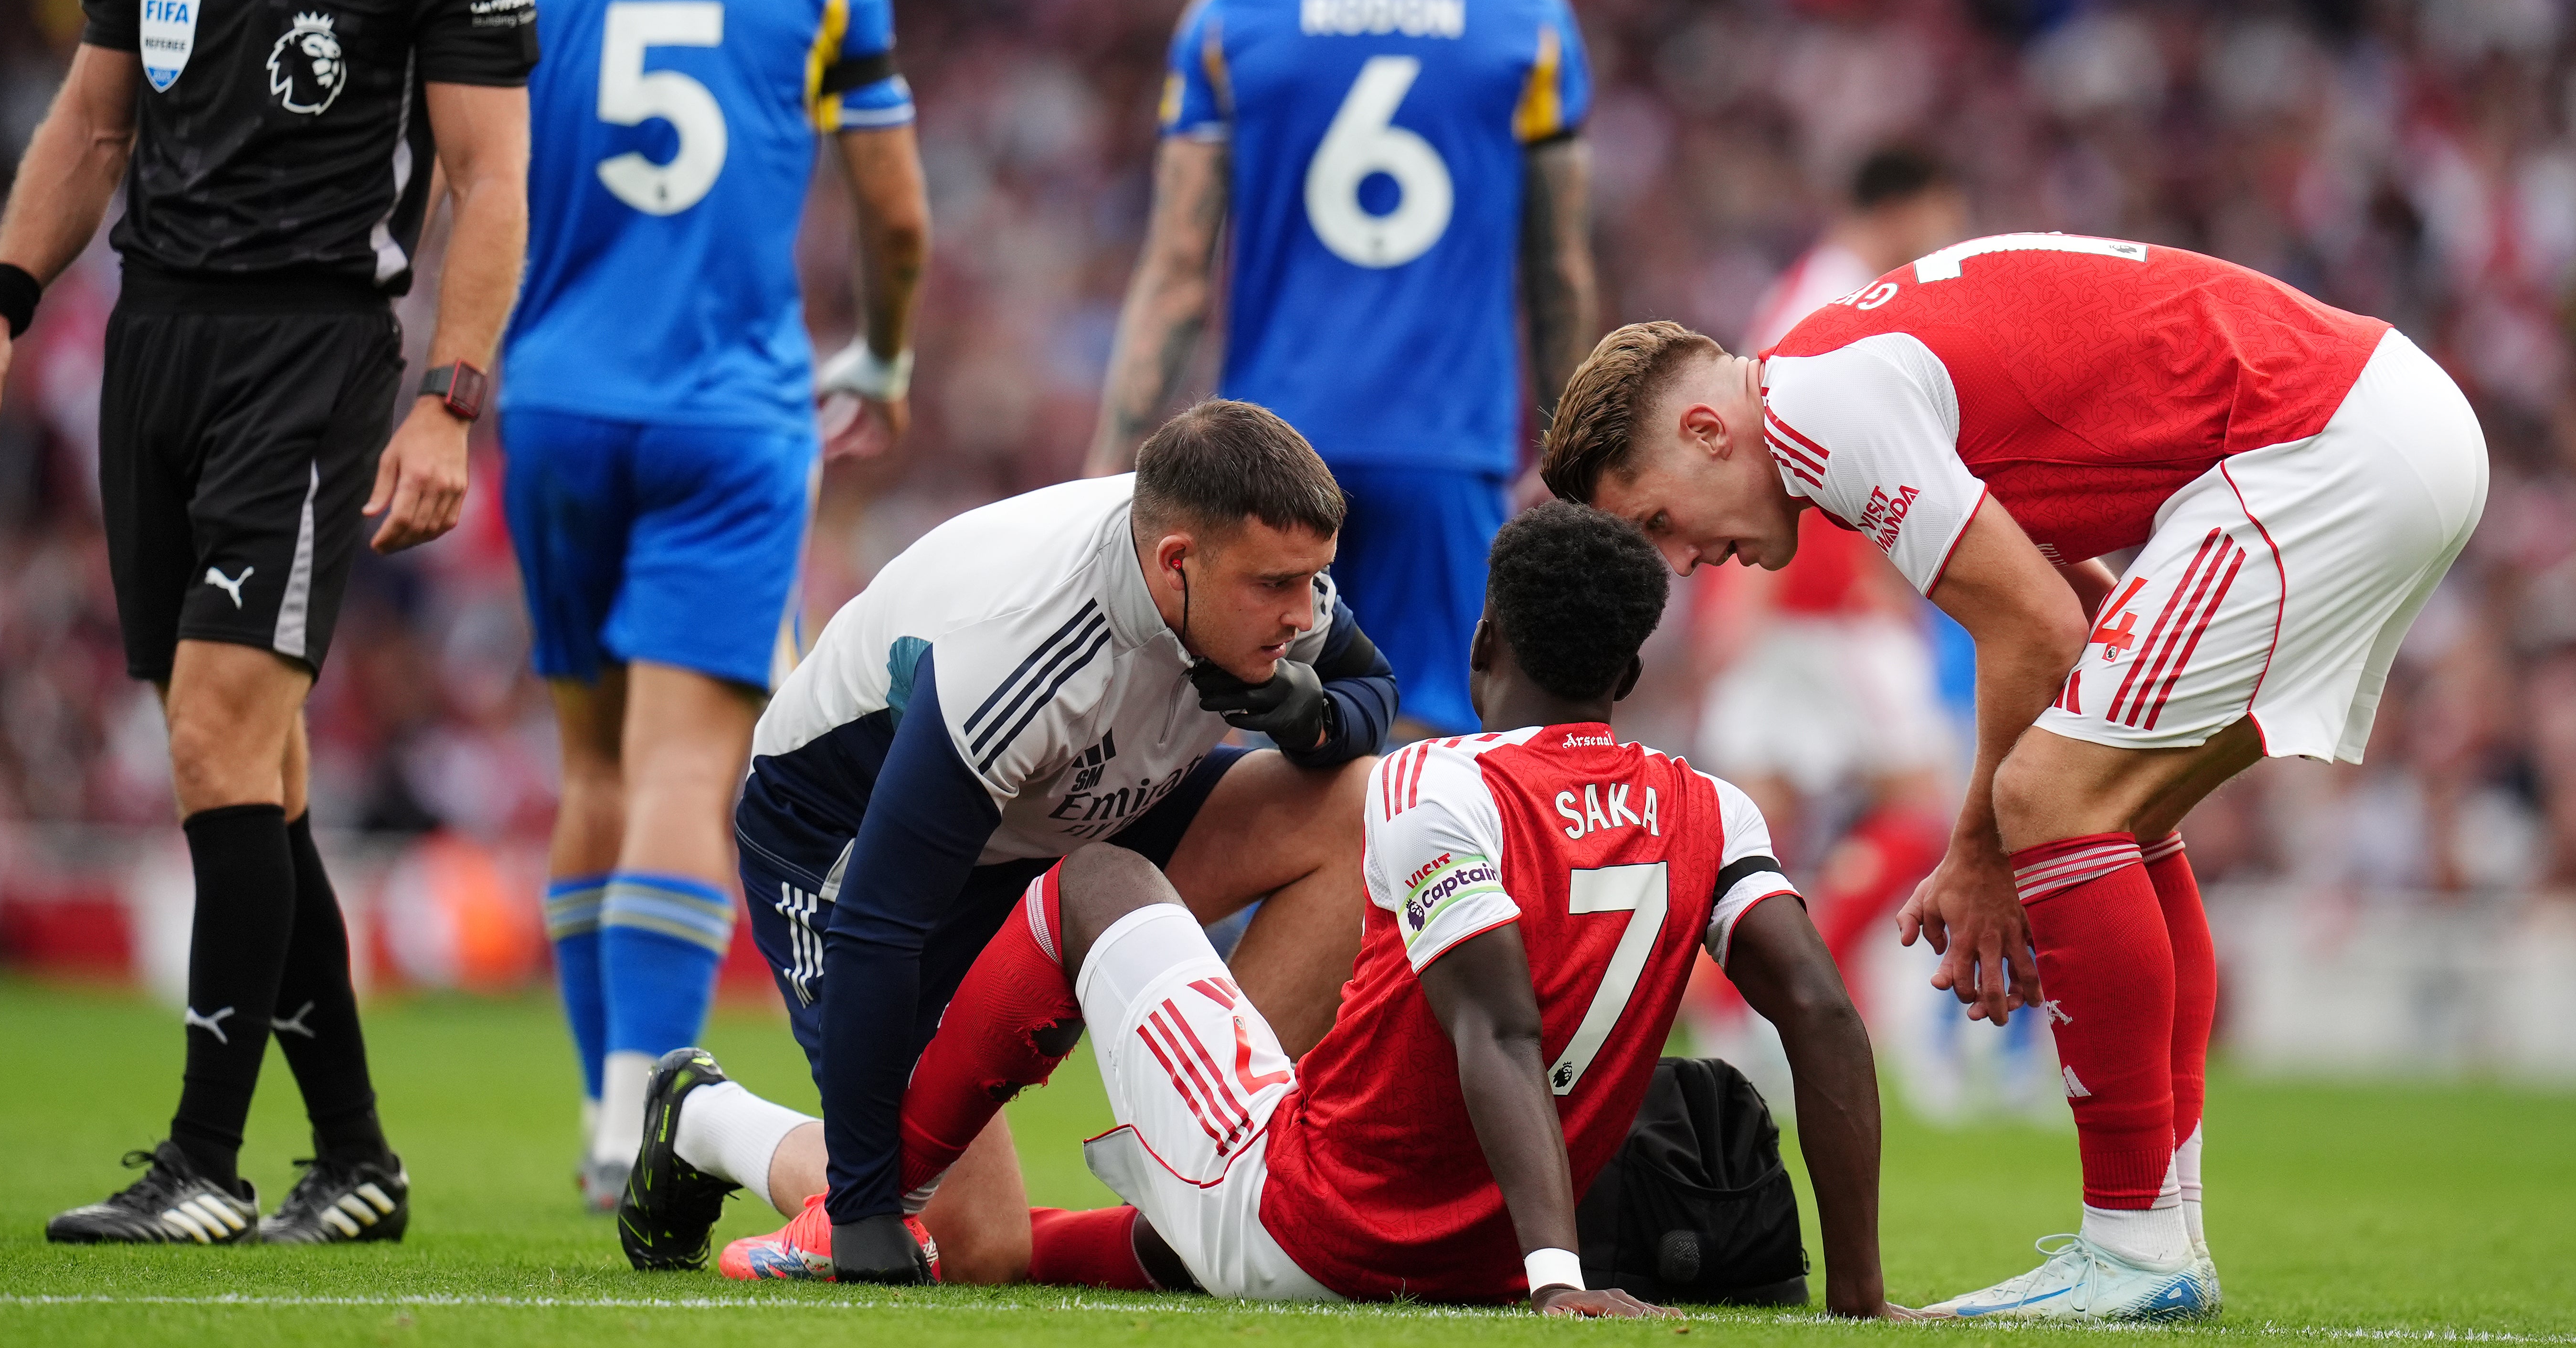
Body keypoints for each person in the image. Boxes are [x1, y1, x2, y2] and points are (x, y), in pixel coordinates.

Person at [1541, 234, 2489, 1320]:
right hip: (2371, 426)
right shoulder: (1830, 381)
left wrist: (1985, 851)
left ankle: (2133, 1245)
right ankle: (2165, 1231)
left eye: (1659, 521)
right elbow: (2067, 596)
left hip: (2328, 446)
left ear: (1707, 432)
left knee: (2046, 794)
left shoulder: (1820, 412)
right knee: (2116, 812)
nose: (1679, 561)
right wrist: (2033, 847)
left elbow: (2036, 631)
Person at [0, 0, 536, 1244]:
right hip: (156, 344)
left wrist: (449, 401)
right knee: (249, 772)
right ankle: (356, 1158)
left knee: (217, 729)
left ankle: (203, 1161)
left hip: (313, 353)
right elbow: (92, 128)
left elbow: (491, 182)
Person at [682, 502, 1897, 1313]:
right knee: (1001, 1239)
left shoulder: (1437, 784)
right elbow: (1824, 1013)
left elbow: (1497, 1026)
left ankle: (760, 1145)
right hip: (1466, 1250)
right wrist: (1859, 1297)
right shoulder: (1712, 807)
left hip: (1320, 1223)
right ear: (1630, 673)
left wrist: (1556, 1277)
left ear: (1484, 645)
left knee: (1095, 879)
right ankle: (994, 1165)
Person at [493, 0, 930, 1212]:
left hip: (553, 393)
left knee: (590, 767)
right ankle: (641, 1122)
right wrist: (884, 357)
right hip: (731, 412)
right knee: (688, 764)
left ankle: (602, 1114)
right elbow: (895, 212)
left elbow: (462, 168)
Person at [609, 400, 1396, 1283]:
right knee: (976, 1248)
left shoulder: (1243, 559)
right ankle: (704, 1119)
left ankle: (1230, 1161)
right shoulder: (1027, 642)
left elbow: (1370, 685)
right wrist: (866, 1211)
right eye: (1276, 586)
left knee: (1359, 803)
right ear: (1175, 562)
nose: (1302, 612)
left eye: (1313, 579)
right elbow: (880, 922)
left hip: (1060, 816)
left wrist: (1316, 720)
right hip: (848, 849)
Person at [1086, 0, 1600, 742]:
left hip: (1269, 452)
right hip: (1443, 441)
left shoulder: (1231, 17)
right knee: (1428, 741)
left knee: (1255, 735)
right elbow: (1559, 271)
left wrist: (1106, 473)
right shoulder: (1529, 18)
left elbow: (1179, 271)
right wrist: (1583, 467)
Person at [1696, 148, 1964, 971]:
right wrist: (1868, 575)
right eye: (1945, 217)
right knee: (1924, 810)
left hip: (1785, 593)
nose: (1946, 238)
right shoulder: (1841, 303)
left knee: (1754, 821)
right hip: (1820, 601)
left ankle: (1717, 1001)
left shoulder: (1809, 291)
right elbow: (1781, 452)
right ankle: (1811, 977)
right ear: (1909, 205)